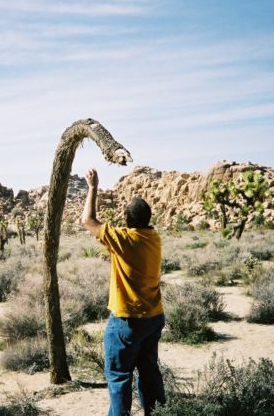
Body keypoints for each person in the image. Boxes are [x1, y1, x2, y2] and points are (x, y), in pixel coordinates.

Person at [81, 168, 165, 416]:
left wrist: (93, 188)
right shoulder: (153, 237)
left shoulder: (124, 240)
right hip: (153, 318)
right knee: (149, 374)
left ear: (127, 220)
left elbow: (88, 221)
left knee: (119, 379)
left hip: (127, 321)